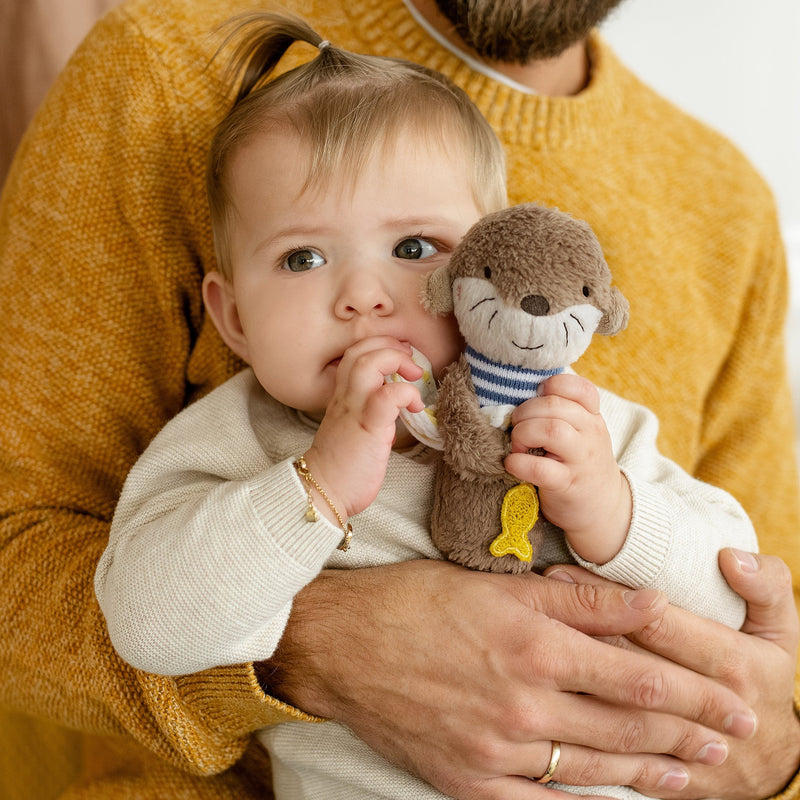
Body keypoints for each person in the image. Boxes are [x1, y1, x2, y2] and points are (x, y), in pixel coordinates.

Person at [0, 0, 798, 798]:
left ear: (476, 268)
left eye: (415, 250)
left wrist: (615, 515)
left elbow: (748, 593)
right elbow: (140, 620)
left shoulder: (576, 420)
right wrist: (313, 506)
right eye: (302, 256)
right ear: (233, 317)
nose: (362, 296)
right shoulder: (234, 444)